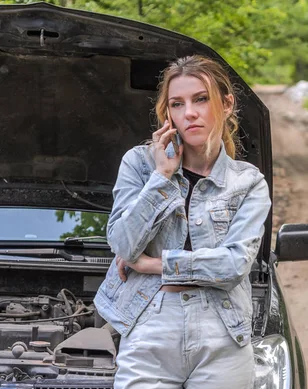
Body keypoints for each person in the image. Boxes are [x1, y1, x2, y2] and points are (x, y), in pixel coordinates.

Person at [94, 55, 272, 389]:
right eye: (177, 104)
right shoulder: (140, 165)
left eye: (201, 99)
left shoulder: (247, 183)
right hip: (149, 324)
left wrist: (152, 264)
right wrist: (162, 176)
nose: (189, 112)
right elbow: (121, 243)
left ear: (227, 103)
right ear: (168, 116)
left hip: (222, 332)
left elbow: (234, 265)